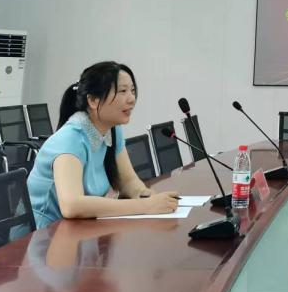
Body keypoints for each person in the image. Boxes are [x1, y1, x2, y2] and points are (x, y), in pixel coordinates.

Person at [27, 61, 179, 228]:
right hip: (43, 234)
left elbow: (127, 182)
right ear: (93, 100)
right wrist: (145, 206)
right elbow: (72, 205)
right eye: (122, 91)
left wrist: (147, 196)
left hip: (78, 228)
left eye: (132, 90)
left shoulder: (112, 130)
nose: (131, 99)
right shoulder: (70, 139)